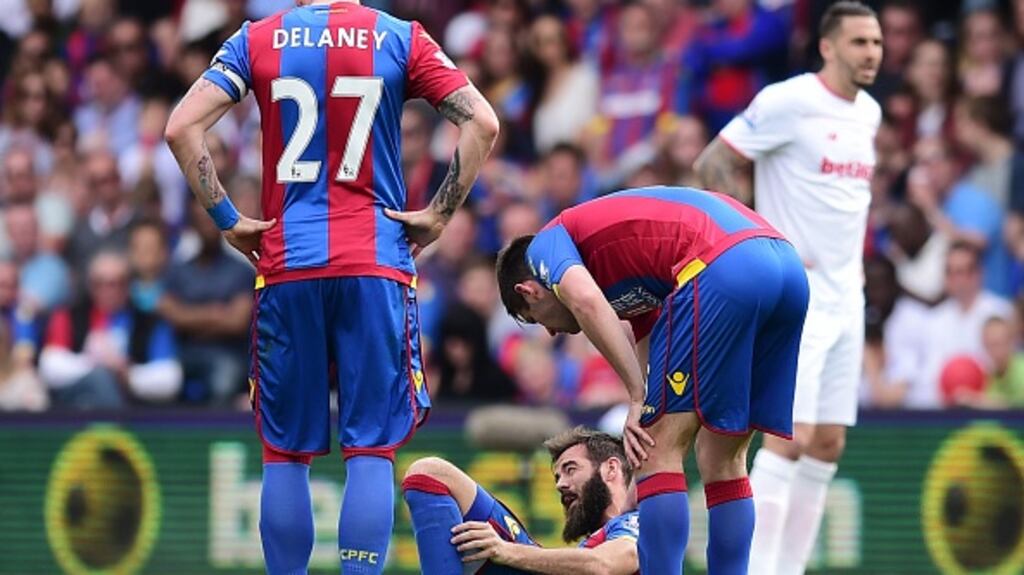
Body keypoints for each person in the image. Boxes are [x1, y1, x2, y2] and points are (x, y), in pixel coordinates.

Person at [163, 0, 499, 573]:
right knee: (370, 446)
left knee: (285, 451)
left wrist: (226, 219)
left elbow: (180, 128)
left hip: (288, 265)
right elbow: (483, 123)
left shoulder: (257, 39)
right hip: (375, 266)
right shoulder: (399, 36)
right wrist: (440, 214)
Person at [496, 186, 808, 573]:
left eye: (534, 318)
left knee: (656, 450)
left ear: (528, 291)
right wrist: (645, 419)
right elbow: (651, 348)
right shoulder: (632, 278)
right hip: (785, 268)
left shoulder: (543, 248)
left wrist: (635, 398)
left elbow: (586, 303)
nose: (550, 334)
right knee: (721, 457)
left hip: (719, 264)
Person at [693, 3, 882, 573]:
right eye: (859, 43)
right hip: (798, 295)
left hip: (850, 296)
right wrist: (755, 243)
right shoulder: (789, 101)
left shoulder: (869, 113)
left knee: (828, 443)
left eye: (876, 43)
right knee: (787, 437)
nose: (871, 53)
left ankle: (789, 567)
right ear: (828, 47)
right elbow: (712, 163)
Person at [401, 426, 639, 574]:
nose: (560, 484)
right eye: (557, 476)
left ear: (611, 469)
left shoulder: (637, 521)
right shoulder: (591, 546)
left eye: (571, 469)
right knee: (427, 476)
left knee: (432, 472)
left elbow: (605, 565)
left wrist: (507, 551)